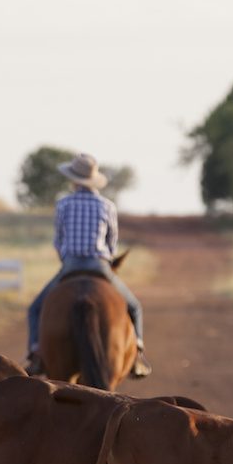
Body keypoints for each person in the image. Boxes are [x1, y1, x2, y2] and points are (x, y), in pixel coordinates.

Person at [24, 152, 151, 379]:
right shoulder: (107, 206)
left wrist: (68, 260)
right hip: (100, 266)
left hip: (70, 266)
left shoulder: (63, 204)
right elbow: (111, 244)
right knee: (134, 307)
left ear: (73, 179)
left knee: (34, 309)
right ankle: (138, 356)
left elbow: (59, 240)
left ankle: (35, 355)